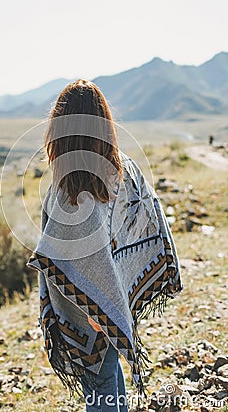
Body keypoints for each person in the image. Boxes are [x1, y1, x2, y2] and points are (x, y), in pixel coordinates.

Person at [27, 79, 183, 411]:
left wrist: (97, 309)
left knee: (100, 386)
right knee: (110, 375)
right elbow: (148, 223)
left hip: (88, 314)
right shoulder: (126, 169)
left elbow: (61, 262)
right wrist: (117, 295)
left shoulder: (68, 190)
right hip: (116, 299)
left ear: (60, 130)